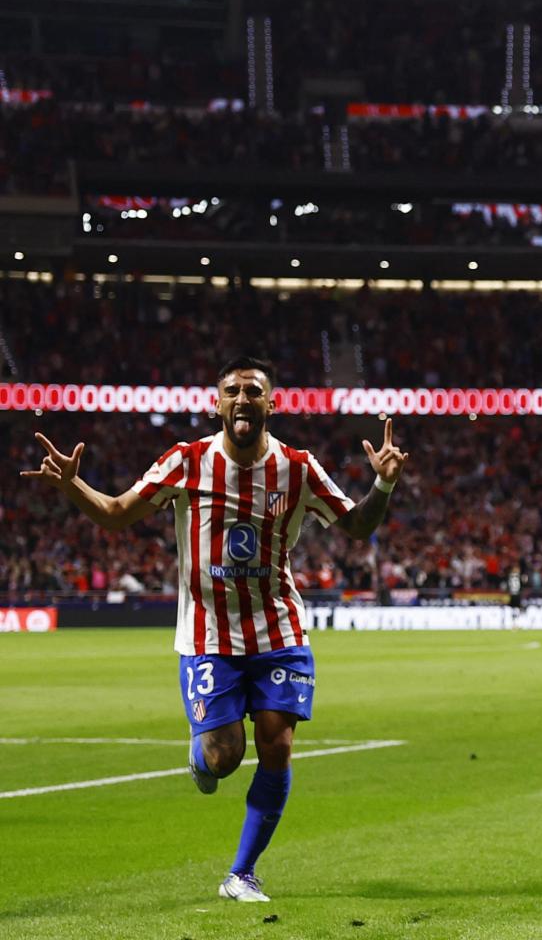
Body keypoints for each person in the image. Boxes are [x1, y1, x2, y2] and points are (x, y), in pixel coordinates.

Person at [19, 356, 408, 903]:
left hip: (278, 630)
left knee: (277, 746)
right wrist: (72, 485)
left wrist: (384, 486)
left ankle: (241, 874)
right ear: (217, 402)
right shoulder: (187, 461)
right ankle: (202, 753)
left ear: (272, 404)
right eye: (233, 390)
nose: (243, 399)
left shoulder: (297, 468)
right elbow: (115, 512)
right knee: (223, 758)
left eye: (254, 390)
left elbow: (357, 526)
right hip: (207, 638)